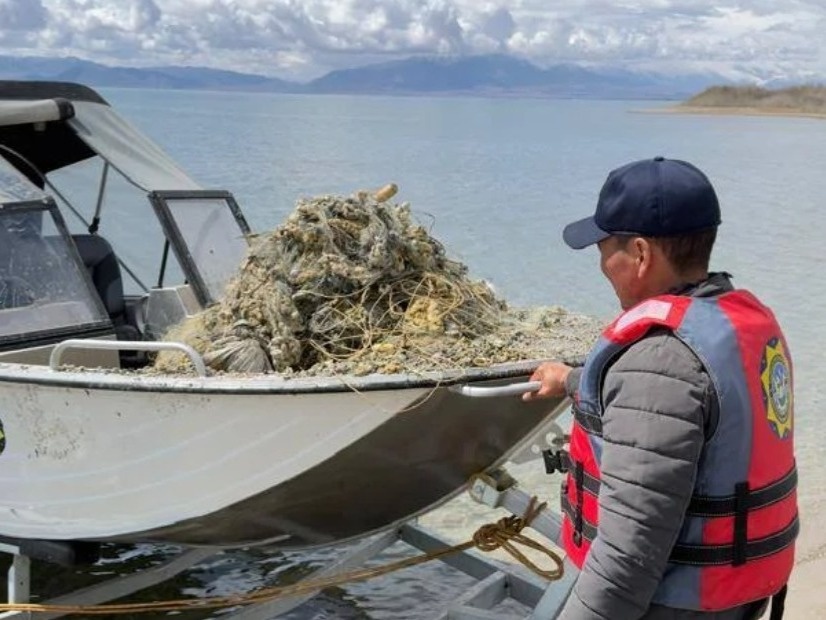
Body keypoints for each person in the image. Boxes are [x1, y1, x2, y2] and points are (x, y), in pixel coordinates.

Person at [524, 157, 798, 619]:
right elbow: (678, 411)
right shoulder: (731, 323)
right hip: (737, 596)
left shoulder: (658, 361)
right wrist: (570, 380)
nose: (601, 262)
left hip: (672, 606)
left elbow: (627, 555)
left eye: (604, 248)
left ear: (641, 254)